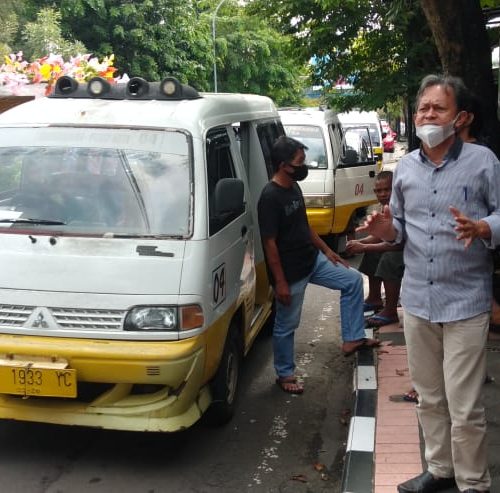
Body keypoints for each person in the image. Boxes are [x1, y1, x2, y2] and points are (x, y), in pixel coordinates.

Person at [358, 74, 500, 493]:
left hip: (465, 301)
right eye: (423, 108)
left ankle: (474, 483)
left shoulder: (483, 161)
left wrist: (483, 227)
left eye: (438, 108)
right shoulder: (405, 168)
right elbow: (399, 229)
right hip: (419, 300)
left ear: (460, 118)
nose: (427, 115)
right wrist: (386, 227)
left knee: (465, 404)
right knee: (429, 396)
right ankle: (440, 470)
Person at [257, 135, 379, 394]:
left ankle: (352, 338)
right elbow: (269, 244)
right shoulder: (269, 197)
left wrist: (327, 251)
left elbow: (305, 226)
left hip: (313, 260)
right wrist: (279, 282)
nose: (304, 166)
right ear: (283, 165)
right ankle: (285, 373)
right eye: (300, 162)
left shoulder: (293, 187)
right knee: (286, 325)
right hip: (290, 273)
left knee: (353, 281)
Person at [345, 171, 404, 327]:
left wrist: (363, 246)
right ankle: (374, 298)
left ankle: (390, 311)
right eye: (379, 191)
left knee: (389, 259)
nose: (383, 194)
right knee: (372, 254)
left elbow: (397, 244)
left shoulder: (400, 206)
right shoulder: (382, 207)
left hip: (411, 250)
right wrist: (360, 244)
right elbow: (380, 236)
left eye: (387, 189)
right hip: (396, 245)